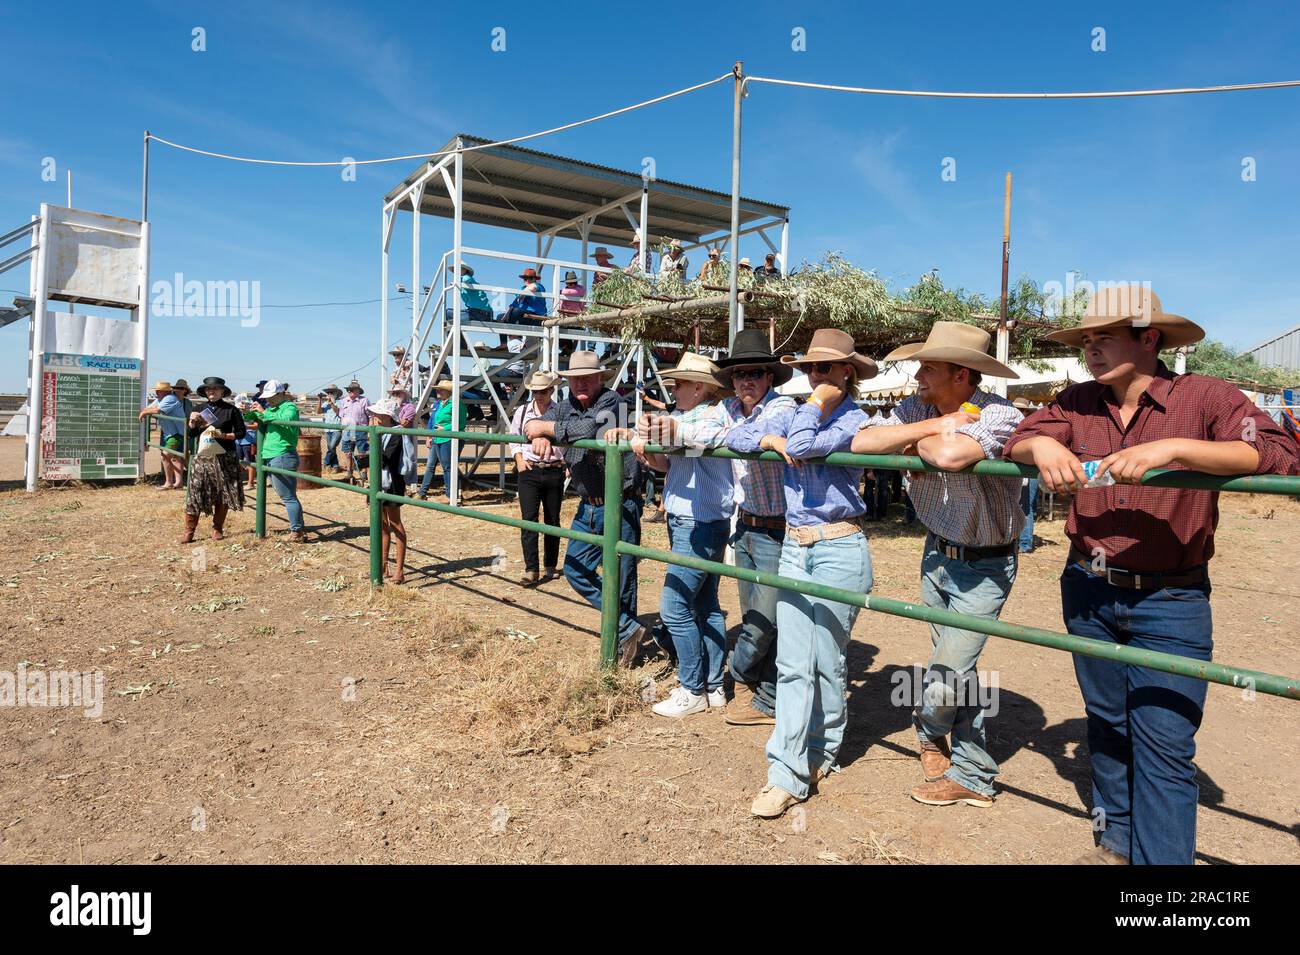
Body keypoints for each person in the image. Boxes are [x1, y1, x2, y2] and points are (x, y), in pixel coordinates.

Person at [1003, 285, 1299, 865]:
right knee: (1108, 723)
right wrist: (1039, 446)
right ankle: (1116, 841)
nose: (1091, 349)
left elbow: (1276, 454)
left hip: (1172, 596)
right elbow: (1014, 437)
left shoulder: (1208, 396)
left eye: (1104, 337)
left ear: (1149, 338)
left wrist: (1175, 449)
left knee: (1164, 742)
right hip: (1088, 585)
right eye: (1086, 339)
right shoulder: (1077, 400)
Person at [852, 321, 1025, 809]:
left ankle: (935, 735)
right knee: (957, 668)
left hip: (986, 562)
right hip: (937, 555)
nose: (918, 373)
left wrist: (912, 443)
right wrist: (931, 427)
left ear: (963, 375)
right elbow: (863, 443)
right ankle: (961, 761)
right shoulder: (918, 408)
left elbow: (951, 456)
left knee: (951, 668)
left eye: (929, 366)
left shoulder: (1000, 413)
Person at [725, 329, 877, 819]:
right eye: (811, 368)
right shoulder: (793, 411)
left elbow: (807, 446)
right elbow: (736, 434)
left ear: (846, 373)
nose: (816, 376)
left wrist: (810, 406)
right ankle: (786, 771)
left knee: (827, 661)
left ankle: (824, 748)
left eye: (826, 369)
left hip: (839, 544)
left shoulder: (854, 418)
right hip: (795, 544)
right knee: (794, 661)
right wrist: (770, 435)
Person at [664, 328, 795, 726]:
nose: (746, 381)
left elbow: (745, 437)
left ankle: (732, 675)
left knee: (762, 623)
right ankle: (767, 694)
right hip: (746, 525)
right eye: (739, 375)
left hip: (778, 527)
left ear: (770, 377)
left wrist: (714, 434)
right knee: (755, 613)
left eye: (755, 373)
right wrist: (713, 433)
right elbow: (704, 430)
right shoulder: (730, 410)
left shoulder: (783, 407)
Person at [623, 354, 734, 717]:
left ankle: (692, 688)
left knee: (674, 606)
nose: (674, 389)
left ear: (699, 387)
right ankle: (713, 684)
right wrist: (648, 452)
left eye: (680, 384)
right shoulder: (687, 416)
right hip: (692, 520)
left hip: (699, 522)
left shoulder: (713, 416)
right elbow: (670, 462)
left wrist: (652, 428)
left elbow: (691, 438)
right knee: (705, 604)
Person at [524, 350, 649, 666]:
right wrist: (540, 433)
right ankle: (628, 628)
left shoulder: (614, 403)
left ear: (599, 379)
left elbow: (590, 430)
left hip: (620, 503)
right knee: (576, 570)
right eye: (575, 377)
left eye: (587, 377)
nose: (580, 382)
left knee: (622, 578)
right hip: (588, 504)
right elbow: (528, 427)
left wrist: (548, 432)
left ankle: (624, 646)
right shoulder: (566, 406)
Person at [510, 372, 566, 586]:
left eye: (543, 391)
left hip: (554, 469)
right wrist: (519, 460)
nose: (538, 395)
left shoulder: (561, 412)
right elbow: (513, 437)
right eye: (535, 391)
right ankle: (531, 569)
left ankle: (550, 566)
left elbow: (568, 439)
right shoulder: (523, 411)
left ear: (551, 390)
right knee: (529, 519)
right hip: (530, 470)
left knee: (553, 519)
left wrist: (564, 461)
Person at [181, 376, 246, 543]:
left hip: (225, 456)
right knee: (195, 491)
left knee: (223, 493)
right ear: (205, 392)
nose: (212, 391)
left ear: (222, 392)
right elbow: (193, 435)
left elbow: (241, 433)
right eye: (209, 389)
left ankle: (217, 528)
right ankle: (189, 531)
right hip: (203, 456)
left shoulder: (231, 410)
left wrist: (224, 435)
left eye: (215, 389)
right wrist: (192, 424)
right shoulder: (199, 408)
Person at [243, 380, 306, 541]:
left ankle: (297, 531)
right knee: (285, 494)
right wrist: (249, 412)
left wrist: (264, 412)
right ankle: (297, 528)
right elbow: (258, 420)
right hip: (271, 455)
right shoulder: (273, 409)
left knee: (288, 496)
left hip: (283, 454)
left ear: (281, 394)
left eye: (271, 396)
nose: (268, 399)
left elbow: (286, 420)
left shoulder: (289, 407)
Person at [369, 398, 417, 584]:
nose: (373, 416)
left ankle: (399, 570)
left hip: (393, 482)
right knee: (381, 524)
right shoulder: (379, 433)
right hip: (379, 480)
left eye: (376, 414)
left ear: (386, 416)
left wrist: (367, 455)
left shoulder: (395, 434)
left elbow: (384, 459)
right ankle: (381, 567)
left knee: (395, 523)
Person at [138, 379, 189, 489]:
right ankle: (179, 483)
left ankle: (169, 483)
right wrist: (146, 411)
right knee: (175, 457)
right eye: (157, 390)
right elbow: (150, 408)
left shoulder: (169, 398)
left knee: (165, 455)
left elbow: (155, 411)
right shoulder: (160, 399)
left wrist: (144, 413)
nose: (157, 392)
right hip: (171, 433)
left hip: (176, 433)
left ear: (166, 392)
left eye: (159, 390)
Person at [420, 380, 465, 501]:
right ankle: (449, 494)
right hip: (438, 438)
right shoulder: (439, 403)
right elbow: (433, 420)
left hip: (448, 438)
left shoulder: (457, 403)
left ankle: (452, 495)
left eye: (440, 389)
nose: (437, 391)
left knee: (448, 467)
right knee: (445, 467)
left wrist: (445, 428)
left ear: (448, 392)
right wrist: (431, 435)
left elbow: (461, 423)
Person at [1012, 399, 1038, 553]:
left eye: (1021, 409)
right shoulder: (1026, 425)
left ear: (1026, 411)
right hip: (1022, 470)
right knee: (1021, 506)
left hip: (1028, 470)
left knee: (1025, 507)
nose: (1018, 411)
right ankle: (1022, 541)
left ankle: (1025, 543)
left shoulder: (1028, 426)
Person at [337, 380, 370, 485]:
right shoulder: (343, 401)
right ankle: (349, 473)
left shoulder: (364, 400)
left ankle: (364, 473)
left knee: (362, 453)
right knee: (348, 453)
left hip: (361, 429)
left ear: (358, 391)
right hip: (348, 430)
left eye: (352, 390)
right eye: (348, 390)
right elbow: (341, 415)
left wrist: (368, 431)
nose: (350, 391)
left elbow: (370, 416)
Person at [318, 385, 343, 471]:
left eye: (331, 392)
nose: (329, 394)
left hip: (336, 428)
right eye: (328, 392)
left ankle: (326, 462)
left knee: (332, 447)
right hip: (327, 429)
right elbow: (319, 411)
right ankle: (335, 465)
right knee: (331, 448)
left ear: (336, 394)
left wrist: (332, 403)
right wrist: (320, 400)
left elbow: (338, 412)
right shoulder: (325, 403)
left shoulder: (340, 402)